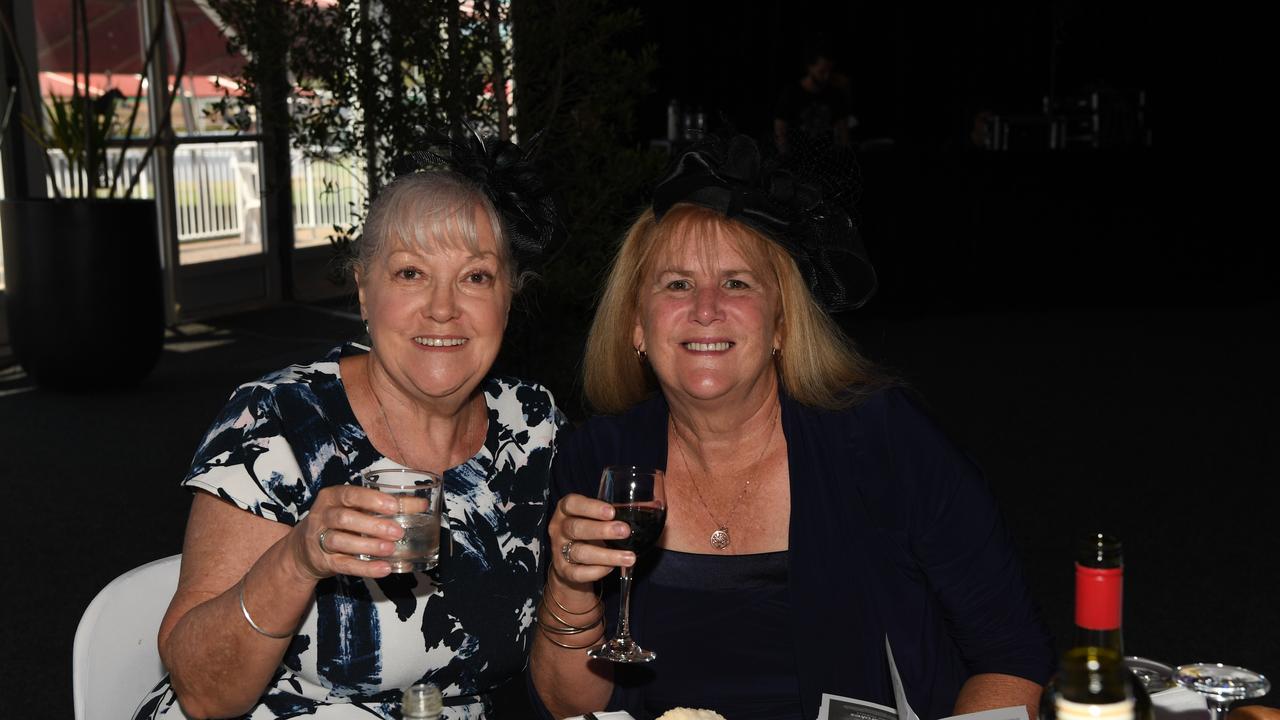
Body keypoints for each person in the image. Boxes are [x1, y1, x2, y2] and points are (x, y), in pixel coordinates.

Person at [529, 134, 1054, 720]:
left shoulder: (881, 439)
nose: (706, 308)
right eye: (676, 284)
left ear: (781, 323)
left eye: (737, 282)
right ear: (636, 327)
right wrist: (571, 587)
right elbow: (566, 705)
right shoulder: (598, 464)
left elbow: (1012, 656)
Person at [134, 133, 567, 720]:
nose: (443, 308)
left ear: (509, 297)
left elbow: (562, 668)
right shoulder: (279, 420)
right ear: (364, 291)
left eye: (475, 277)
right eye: (411, 273)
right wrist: (297, 560)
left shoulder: (534, 427)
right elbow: (203, 693)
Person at [774, 44, 852, 151]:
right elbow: (781, 129)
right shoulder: (792, 93)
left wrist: (843, 155)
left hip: (827, 156)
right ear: (809, 67)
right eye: (822, 72)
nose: (827, 76)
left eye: (830, 71)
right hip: (799, 156)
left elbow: (843, 129)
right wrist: (785, 156)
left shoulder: (835, 93)